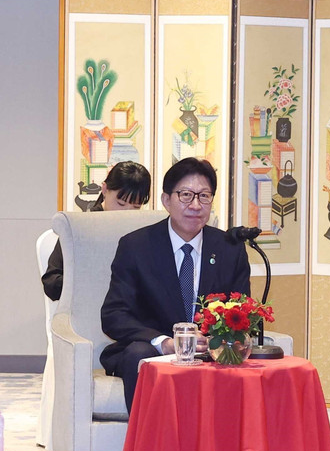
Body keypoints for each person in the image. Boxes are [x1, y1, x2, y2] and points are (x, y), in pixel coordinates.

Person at [100, 157, 250, 411]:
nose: (195, 205)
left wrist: (216, 339)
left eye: (204, 196)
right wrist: (165, 342)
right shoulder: (136, 246)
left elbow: (241, 311)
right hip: (153, 349)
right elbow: (114, 315)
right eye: (186, 195)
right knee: (138, 354)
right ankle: (152, 445)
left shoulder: (229, 249)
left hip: (209, 351)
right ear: (166, 200)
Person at [41, 161, 151, 301]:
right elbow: (51, 282)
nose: (126, 213)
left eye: (136, 207)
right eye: (121, 204)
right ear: (105, 189)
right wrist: (90, 282)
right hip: (90, 310)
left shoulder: (143, 232)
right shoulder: (80, 228)